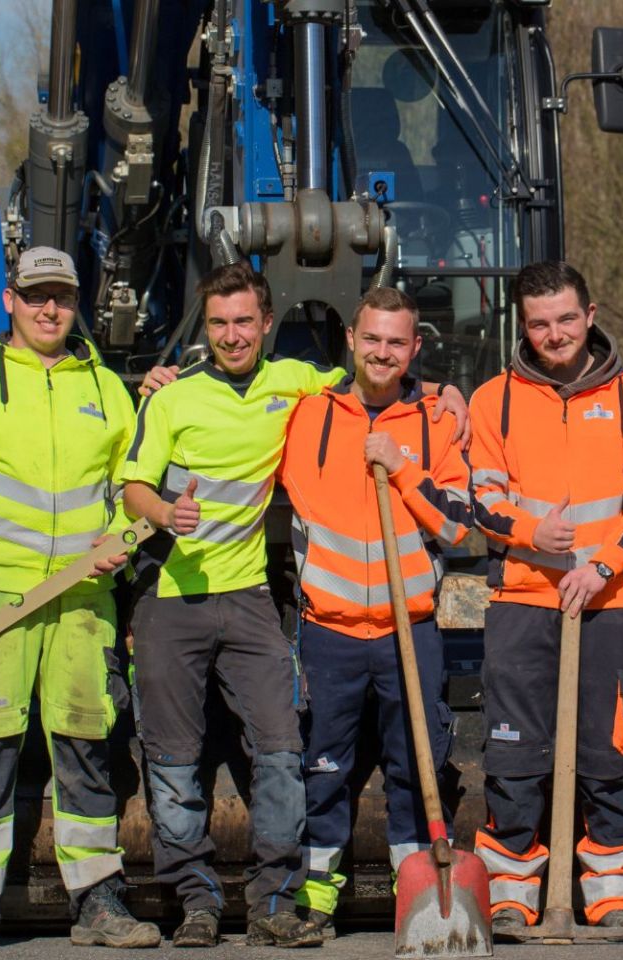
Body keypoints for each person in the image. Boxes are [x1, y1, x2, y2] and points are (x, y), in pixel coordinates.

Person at [121, 263, 467, 948]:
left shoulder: (351, 400)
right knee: (225, 763)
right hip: (241, 609)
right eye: (218, 323)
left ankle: (344, 899)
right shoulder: (244, 402)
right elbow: (137, 480)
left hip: (329, 611)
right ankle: (246, 900)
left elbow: (450, 509)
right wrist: (163, 494)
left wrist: (438, 408)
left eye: (244, 321)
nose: (232, 335)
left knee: (327, 757)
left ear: (267, 322)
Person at [0, 247, 161, 952]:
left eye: (60, 296)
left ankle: (100, 906)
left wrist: (122, 538)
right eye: (35, 296)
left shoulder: (109, 389)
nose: (48, 309)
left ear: (77, 301)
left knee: (87, 748)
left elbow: (131, 489)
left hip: (84, 601)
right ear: (9, 302)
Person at [466, 260, 623, 937]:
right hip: (523, 600)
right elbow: (481, 498)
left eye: (564, 318)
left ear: (590, 314)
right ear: (522, 326)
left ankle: (612, 894)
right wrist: (532, 533)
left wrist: (604, 565)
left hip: (609, 603)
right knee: (515, 753)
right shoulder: (493, 398)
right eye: (538, 322)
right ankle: (513, 894)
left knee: (606, 751)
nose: (553, 333)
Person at [276, 287, 476, 939]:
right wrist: (169, 379)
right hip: (329, 632)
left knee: (412, 768)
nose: (383, 351)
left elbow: (456, 529)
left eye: (397, 341)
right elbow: (238, 400)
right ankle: (318, 901)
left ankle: (411, 899)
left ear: (414, 348)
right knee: (325, 769)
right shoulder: (306, 416)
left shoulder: (437, 423)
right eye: (372, 339)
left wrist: (404, 470)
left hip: (408, 631)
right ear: (352, 342)